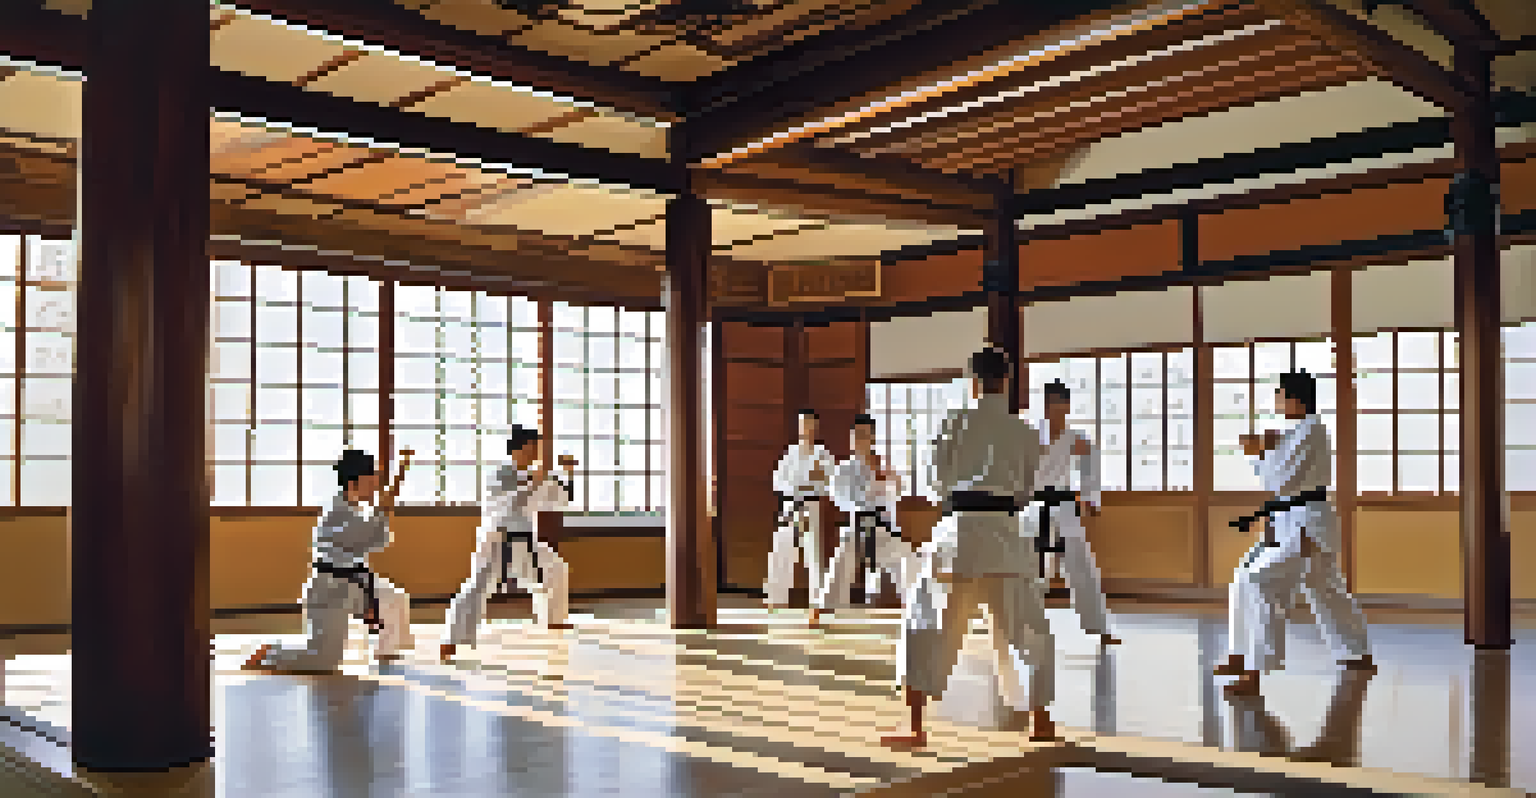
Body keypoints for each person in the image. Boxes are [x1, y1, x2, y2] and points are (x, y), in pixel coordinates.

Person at [884, 347, 1057, 747]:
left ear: (973, 382)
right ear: (1007, 382)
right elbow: (1029, 490)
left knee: (925, 623)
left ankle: (915, 726)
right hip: (1006, 537)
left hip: (957, 536)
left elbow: (934, 484)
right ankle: (1041, 719)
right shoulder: (1024, 432)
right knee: (1028, 627)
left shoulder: (954, 424)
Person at [1215, 371, 1373, 695]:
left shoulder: (1312, 430)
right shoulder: (1297, 432)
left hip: (1306, 522)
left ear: (1296, 399)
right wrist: (1263, 451)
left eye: (1280, 397)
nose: (1276, 404)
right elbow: (1275, 479)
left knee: (1258, 580)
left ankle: (1255, 667)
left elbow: (1281, 481)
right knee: (1325, 589)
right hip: (1290, 518)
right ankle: (1357, 651)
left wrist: (1258, 452)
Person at [244, 448, 415, 673]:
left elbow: (377, 540)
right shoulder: (336, 513)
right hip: (329, 592)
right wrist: (383, 508)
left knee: (394, 598)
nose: (376, 485)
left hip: (355, 585)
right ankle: (272, 653)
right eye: (371, 480)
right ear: (354, 483)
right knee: (324, 661)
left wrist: (384, 507)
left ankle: (385, 649)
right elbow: (365, 538)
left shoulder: (354, 510)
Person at [441, 425, 575, 661]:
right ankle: (451, 639)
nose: (536, 453)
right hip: (498, 539)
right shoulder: (500, 474)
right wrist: (536, 479)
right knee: (477, 587)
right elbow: (512, 502)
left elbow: (560, 500)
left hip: (525, 541)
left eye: (537, 448)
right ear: (518, 449)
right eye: (533, 448)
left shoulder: (536, 476)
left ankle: (553, 619)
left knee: (556, 569)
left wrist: (568, 473)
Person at [1035, 380, 1119, 646]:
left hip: (1065, 505)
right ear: (1045, 406)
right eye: (1051, 404)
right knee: (1029, 567)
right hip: (1035, 507)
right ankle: (1028, 629)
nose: (1055, 409)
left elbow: (1090, 468)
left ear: (1067, 406)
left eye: (1060, 404)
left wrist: (1090, 498)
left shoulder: (1077, 440)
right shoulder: (1031, 435)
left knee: (1081, 564)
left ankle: (1101, 627)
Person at [812, 414, 916, 627]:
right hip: (856, 524)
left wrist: (888, 480)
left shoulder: (881, 464)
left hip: (881, 527)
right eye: (856, 435)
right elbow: (840, 498)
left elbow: (896, 493)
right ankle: (824, 608)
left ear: (872, 438)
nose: (859, 440)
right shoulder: (844, 469)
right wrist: (870, 489)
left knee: (907, 559)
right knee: (842, 561)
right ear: (850, 439)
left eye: (864, 435)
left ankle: (918, 607)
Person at [766, 409, 837, 609]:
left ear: (816, 427)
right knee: (782, 548)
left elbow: (829, 484)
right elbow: (777, 482)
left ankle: (818, 601)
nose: (805, 428)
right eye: (802, 424)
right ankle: (776, 598)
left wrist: (804, 483)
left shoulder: (823, 455)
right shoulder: (791, 453)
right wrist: (804, 482)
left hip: (812, 505)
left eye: (809, 424)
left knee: (814, 553)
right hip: (790, 504)